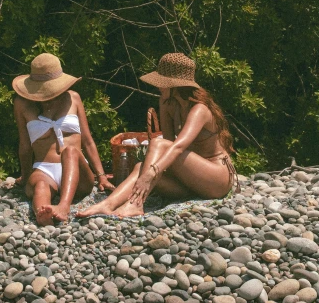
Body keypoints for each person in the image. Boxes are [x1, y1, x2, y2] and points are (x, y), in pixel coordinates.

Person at [77, 52, 237, 218]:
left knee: (155, 149)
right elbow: (167, 144)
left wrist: (151, 174)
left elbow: (177, 146)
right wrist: (149, 172)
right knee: (141, 167)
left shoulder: (199, 109)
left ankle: (135, 204)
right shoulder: (167, 103)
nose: (158, 87)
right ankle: (107, 204)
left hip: (216, 178)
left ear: (174, 85)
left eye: (162, 83)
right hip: (191, 179)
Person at [12, 53, 114, 225]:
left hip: (77, 170)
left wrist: (101, 176)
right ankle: (43, 214)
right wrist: (25, 175)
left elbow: (88, 141)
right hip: (44, 168)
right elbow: (25, 145)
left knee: (71, 150)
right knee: (41, 187)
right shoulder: (22, 105)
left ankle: (64, 206)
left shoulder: (73, 98)